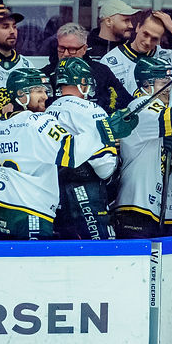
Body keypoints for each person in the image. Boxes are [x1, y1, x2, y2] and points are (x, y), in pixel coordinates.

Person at [0, 68, 135, 240]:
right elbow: (71, 153)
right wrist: (107, 130)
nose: (45, 96)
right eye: (38, 91)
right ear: (21, 95)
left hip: (1, 213)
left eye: (45, 91)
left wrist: (5, 184)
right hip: (32, 214)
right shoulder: (38, 122)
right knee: (35, 266)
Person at [113, 57, 172, 239]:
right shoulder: (139, 108)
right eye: (163, 83)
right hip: (136, 207)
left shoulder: (163, 113)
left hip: (166, 209)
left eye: (170, 83)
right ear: (146, 85)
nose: (169, 89)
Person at [45, 58, 119, 240]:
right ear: (83, 82)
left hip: (54, 192)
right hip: (85, 190)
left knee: (64, 247)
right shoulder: (91, 109)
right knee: (101, 248)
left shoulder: (47, 111)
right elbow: (105, 167)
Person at [101, 10, 172, 97]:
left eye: (154, 39)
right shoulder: (111, 60)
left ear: (160, 39)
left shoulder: (169, 57)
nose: (147, 42)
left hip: (163, 118)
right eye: (145, 34)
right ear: (138, 27)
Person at [42, 23, 131, 114]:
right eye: (62, 48)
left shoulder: (101, 72)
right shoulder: (45, 74)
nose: (65, 54)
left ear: (84, 49)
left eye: (72, 49)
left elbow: (125, 102)